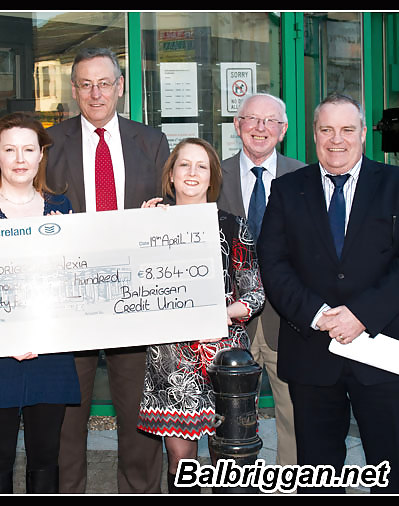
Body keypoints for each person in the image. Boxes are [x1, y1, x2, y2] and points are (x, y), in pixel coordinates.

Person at [258, 93, 399, 493]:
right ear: (313, 135)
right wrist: (319, 314)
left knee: (395, 472)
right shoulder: (288, 189)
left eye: (346, 129)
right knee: (318, 474)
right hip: (312, 352)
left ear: (362, 134)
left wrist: (360, 314)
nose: (336, 139)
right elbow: (273, 264)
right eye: (326, 130)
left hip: (383, 350)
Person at [45, 47, 169, 494]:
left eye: (104, 83)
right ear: (74, 90)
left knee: (138, 410)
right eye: (85, 84)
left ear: (120, 87)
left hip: (134, 298)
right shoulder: (50, 143)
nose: (95, 93)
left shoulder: (151, 141)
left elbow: (169, 208)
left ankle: (138, 491)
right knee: (66, 413)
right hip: (70, 298)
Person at [0, 112, 81, 494]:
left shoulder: (61, 209)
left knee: (46, 455)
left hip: (50, 357)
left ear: (41, 154)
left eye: (29, 149)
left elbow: (74, 286)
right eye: (10, 149)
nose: (20, 158)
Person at [137, 137, 265, 493]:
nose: (192, 173)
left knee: (230, 465)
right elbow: (130, 288)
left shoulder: (232, 225)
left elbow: (255, 295)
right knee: (181, 466)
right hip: (170, 361)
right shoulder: (147, 224)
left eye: (201, 166)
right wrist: (137, 231)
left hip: (223, 359)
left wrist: (219, 314)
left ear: (212, 178)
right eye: (184, 165)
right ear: (171, 176)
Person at [216, 93, 304, 467]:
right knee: (230, 420)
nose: (260, 128)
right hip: (231, 323)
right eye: (252, 119)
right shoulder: (211, 176)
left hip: (289, 322)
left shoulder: (304, 177)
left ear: (282, 131)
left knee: (295, 419)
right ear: (237, 126)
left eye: (270, 122)